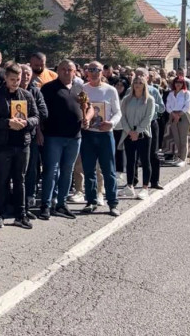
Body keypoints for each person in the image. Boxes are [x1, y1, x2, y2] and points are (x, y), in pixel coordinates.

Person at [0, 62, 39, 229]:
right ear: (6, 78)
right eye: (13, 79)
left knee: (20, 179)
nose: (16, 82)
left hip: (22, 143)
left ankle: (20, 214)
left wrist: (26, 122)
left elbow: (36, 116)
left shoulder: (27, 95)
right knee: (2, 180)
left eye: (18, 79)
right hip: (3, 144)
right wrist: (8, 122)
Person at [38, 60, 83, 220]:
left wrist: (88, 117)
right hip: (53, 136)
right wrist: (39, 132)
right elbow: (39, 113)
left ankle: (61, 204)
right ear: (57, 70)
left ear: (75, 72)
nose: (66, 72)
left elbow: (88, 106)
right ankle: (46, 204)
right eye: (63, 69)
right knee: (51, 171)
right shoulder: (48, 88)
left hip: (74, 137)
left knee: (67, 171)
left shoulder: (79, 89)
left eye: (69, 69)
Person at [77, 61, 122, 217]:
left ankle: (113, 202)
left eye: (97, 70)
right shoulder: (83, 89)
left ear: (102, 72)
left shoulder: (110, 90)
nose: (94, 72)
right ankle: (91, 201)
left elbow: (118, 112)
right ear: (86, 72)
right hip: (88, 134)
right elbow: (80, 109)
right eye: (90, 70)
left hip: (105, 135)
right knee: (89, 170)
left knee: (108, 170)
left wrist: (111, 123)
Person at [119, 75, 155, 200]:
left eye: (140, 82)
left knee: (145, 160)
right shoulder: (126, 100)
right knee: (130, 161)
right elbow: (122, 116)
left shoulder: (149, 100)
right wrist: (129, 131)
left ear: (144, 85)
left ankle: (145, 188)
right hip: (128, 133)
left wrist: (137, 131)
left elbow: (148, 117)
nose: (138, 85)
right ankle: (129, 185)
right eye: (136, 82)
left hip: (143, 134)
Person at [20, 64, 47, 216]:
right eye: (22, 73)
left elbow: (43, 113)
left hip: (31, 134)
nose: (25, 76)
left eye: (28, 73)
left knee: (31, 169)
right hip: (11, 136)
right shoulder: (10, 91)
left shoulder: (36, 91)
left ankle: (28, 200)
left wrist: (34, 126)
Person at [136, 67, 166, 190]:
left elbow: (162, 108)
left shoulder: (154, 91)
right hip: (135, 125)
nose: (139, 77)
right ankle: (132, 181)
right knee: (135, 154)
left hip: (151, 123)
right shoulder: (130, 91)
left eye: (142, 75)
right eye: (137, 75)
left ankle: (154, 181)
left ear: (147, 78)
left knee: (153, 153)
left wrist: (151, 104)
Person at [165, 76, 190, 167]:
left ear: (183, 84)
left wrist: (179, 114)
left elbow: (188, 105)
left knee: (183, 138)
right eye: (176, 82)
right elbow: (168, 105)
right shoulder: (171, 93)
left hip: (183, 116)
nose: (178, 84)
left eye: (180, 82)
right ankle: (178, 157)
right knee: (176, 138)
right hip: (173, 116)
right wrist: (173, 114)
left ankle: (183, 158)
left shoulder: (186, 93)